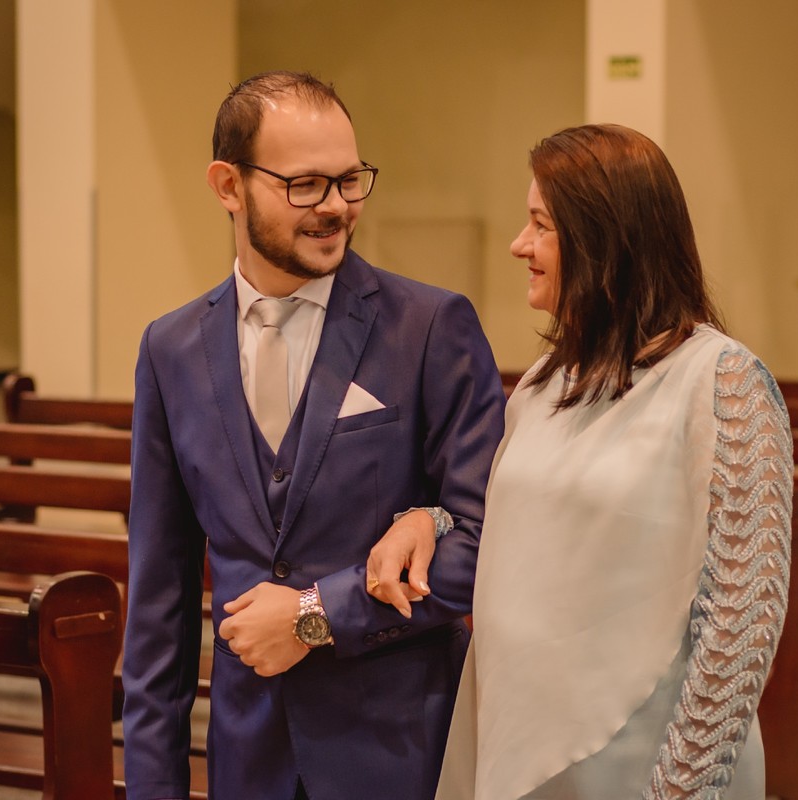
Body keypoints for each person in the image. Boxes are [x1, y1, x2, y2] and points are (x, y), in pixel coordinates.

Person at [121, 71, 506, 800]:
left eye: (350, 180)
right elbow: (160, 600)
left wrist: (312, 616)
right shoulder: (170, 349)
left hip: (398, 754)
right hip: (247, 756)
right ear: (227, 185)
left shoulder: (429, 328)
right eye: (305, 185)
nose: (336, 208)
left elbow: (487, 544)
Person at [411, 124, 794, 799]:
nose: (518, 245)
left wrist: (683, 786)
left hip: (640, 761)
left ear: (604, 240)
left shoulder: (722, 380)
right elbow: (526, 525)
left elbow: (742, 616)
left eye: (540, 225)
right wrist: (431, 521)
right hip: (515, 739)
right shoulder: (543, 381)